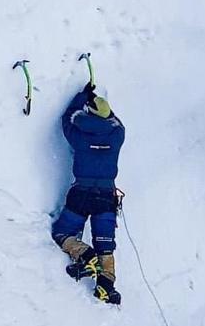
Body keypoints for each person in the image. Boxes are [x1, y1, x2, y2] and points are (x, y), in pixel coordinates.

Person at [52, 81, 125, 304]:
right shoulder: (117, 135)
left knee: (62, 233)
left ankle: (85, 255)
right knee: (106, 245)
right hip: (106, 197)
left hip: (81, 194)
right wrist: (102, 108)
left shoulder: (79, 136)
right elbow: (116, 121)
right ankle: (106, 288)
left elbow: (68, 118)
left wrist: (84, 96)